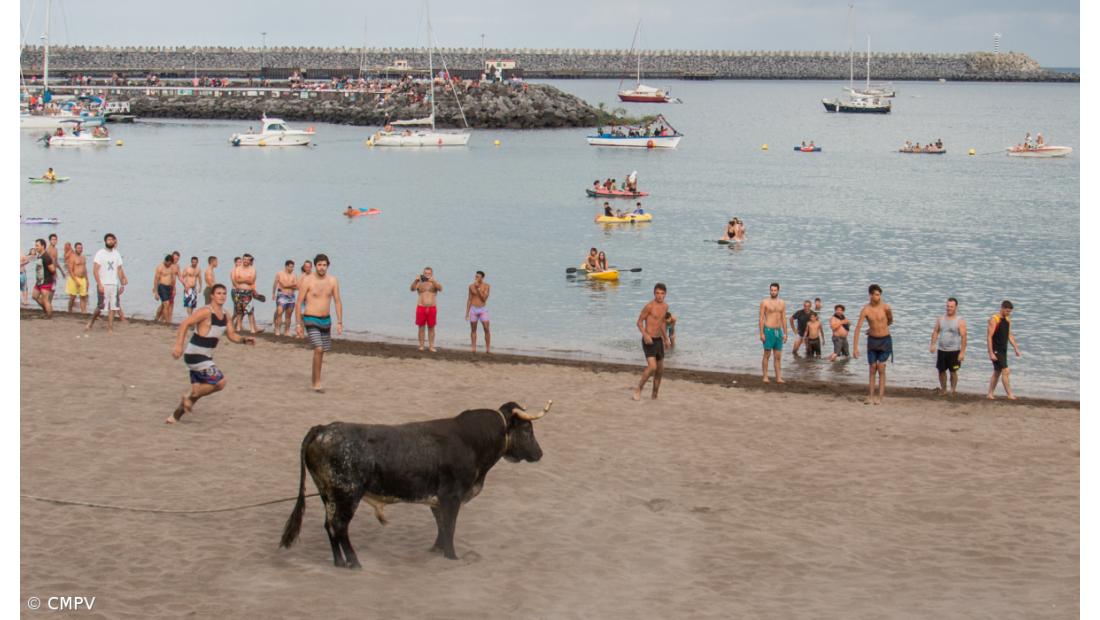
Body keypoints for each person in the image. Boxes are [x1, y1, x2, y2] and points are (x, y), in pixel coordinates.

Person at [166, 284, 255, 424]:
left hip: (206, 356)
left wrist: (243, 340)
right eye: (218, 293)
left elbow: (232, 335)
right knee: (220, 383)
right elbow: (184, 324)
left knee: (199, 390)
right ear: (212, 296)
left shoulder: (226, 315)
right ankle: (187, 396)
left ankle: (174, 417)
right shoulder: (205, 312)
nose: (222, 296)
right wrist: (178, 345)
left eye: (224, 293)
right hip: (195, 355)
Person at [296, 254, 343, 391]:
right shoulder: (307, 280)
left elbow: (337, 301)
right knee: (318, 348)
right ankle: (317, 383)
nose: (322, 267)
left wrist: (339, 322)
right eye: (319, 265)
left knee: (321, 352)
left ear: (328, 266)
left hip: (326, 320)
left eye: (324, 265)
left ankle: (314, 379)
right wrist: (298, 324)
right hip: (310, 318)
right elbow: (298, 303)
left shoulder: (333, 281)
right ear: (315, 266)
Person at [852, 284, 893, 405]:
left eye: (880, 295)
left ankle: (880, 397)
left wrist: (880, 327)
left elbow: (890, 320)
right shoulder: (866, 310)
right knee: (872, 368)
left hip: (885, 340)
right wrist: (855, 348)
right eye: (876, 294)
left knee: (881, 367)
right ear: (870, 295)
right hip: (872, 341)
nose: (878, 297)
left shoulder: (886, 307)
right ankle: (870, 396)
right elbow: (858, 328)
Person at [634, 283, 670, 401]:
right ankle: (639, 389)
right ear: (654, 293)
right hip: (648, 340)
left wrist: (666, 338)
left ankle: (654, 395)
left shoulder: (665, 306)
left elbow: (662, 323)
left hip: (659, 340)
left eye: (662, 293)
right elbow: (639, 322)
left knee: (660, 370)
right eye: (657, 293)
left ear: (665, 294)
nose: (660, 295)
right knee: (652, 367)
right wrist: (645, 335)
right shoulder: (649, 306)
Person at [86, 233, 127, 332]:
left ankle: (110, 328)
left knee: (113, 307)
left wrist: (122, 283)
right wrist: (99, 284)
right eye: (108, 240)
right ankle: (91, 322)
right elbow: (95, 270)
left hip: (114, 284)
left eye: (112, 240)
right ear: (105, 241)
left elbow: (119, 269)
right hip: (103, 284)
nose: (110, 241)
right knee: (101, 307)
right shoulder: (100, 253)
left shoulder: (116, 254)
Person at [929, 297, 967, 396]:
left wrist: (962, 353)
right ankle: (944, 389)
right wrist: (932, 344)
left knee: (953, 371)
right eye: (948, 306)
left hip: (954, 351)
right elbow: (935, 331)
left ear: (956, 307)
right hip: (942, 350)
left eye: (951, 306)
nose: (949, 308)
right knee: (941, 370)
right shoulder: (940, 319)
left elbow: (964, 337)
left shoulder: (960, 321)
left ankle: (953, 390)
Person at [987, 300, 1021, 400]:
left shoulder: (1007, 320)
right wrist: (991, 353)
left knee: (997, 372)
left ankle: (990, 393)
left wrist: (1016, 348)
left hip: (1003, 350)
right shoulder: (994, 319)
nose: (1008, 313)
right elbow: (989, 337)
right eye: (1007, 311)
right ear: (1002, 308)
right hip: (996, 350)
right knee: (1006, 370)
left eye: (1009, 312)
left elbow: (1009, 335)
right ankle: (1009, 394)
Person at [759, 283, 788, 383]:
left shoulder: (782, 303)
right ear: (770, 291)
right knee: (767, 354)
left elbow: (784, 318)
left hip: (778, 331)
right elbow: (761, 318)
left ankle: (778, 378)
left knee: (778, 356)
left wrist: (785, 333)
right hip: (768, 330)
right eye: (771, 290)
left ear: (778, 291)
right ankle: (765, 377)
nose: (773, 292)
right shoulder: (765, 302)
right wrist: (761, 333)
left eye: (775, 290)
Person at [411, 266, 442, 352]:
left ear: (432, 274)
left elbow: (440, 289)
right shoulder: (419, 283)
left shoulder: (434, 283)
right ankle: (421, 346)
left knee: (431, 327)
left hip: (432, 307)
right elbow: (412, 289)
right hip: (421, 307)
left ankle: (431, 346)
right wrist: (415, 280)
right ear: (423, 273)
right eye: (425, 273)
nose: (427, 275)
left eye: (429, 273)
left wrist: (434, 281)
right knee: (421, 327)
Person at [231, 253, 261, 335]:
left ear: (250, 261)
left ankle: (252, 328)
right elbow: (235, 280)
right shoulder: (237, 269)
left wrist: (242, 279)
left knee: (249, 310)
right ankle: (238, 327)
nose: (246, 261)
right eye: (244, 259)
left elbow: (251, 281)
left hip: (248, 292)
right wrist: (246, 279)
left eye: (248, 260)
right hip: (238, 292)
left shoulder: (252, 269)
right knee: (239, 310)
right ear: (242, 259)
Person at [466, 270, 491, 354]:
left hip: (483, 309)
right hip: (473, 309)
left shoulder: (486, 286)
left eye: (478, 277)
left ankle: (488, 348)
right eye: (475, 276)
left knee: (486, 328)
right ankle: (473, 348)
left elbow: (484, 299)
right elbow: (469, 299)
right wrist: (467, 313)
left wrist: (478, 288)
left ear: (482, 278)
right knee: (473, 329)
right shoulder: (471, 286)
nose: (476, 278)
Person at [30, 239, 56, 318]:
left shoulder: (46, 257)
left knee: (45, 300)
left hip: (46, 281)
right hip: (39, 281)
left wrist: (51, 280)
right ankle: (47, 310)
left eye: (37, 246)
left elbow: (53, 270)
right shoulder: (39, 255)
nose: (36, 247)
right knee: (34, 296)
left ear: (43, 246)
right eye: (35, 245)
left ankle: (49, 315)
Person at [272, 259, 298, 336]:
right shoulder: (280, 274)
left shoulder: (294, 275)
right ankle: (277, 329)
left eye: (293, 267)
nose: (292, 268)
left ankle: (287, 331)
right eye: (290, 267)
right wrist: (273, 294)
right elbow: (276, 284)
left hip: (291, 296)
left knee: (288, 314)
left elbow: (297, 286)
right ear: (286, 266)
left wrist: (287, 285)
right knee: (280, 312)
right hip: (282, 295)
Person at [65, 242, 89, 314]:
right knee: (73, 296)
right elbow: (70, 270)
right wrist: (76, 281)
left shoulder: (83, 257)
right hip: (74, 278)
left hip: (82, 278)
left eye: (81, 248)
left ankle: (84, 312)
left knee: (83, 296)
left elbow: (85, 269)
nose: (80, 249)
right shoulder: (72, 257)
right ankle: (69, 310)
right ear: (75, 248)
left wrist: (87, 280)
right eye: (78, 248)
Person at [152, 255, 176, 325]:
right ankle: (167, 322)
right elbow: (156, 280)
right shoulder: (160, 267)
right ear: (166, 261)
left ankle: (156, 318)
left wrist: (174, 289)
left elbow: (173, 279)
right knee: (166, 304)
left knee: (163, 305)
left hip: (169, 287)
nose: (170, 265)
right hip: (161, 286)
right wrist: (156, 292)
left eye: (171, 263)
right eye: (169, 263)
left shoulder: (171, 267)